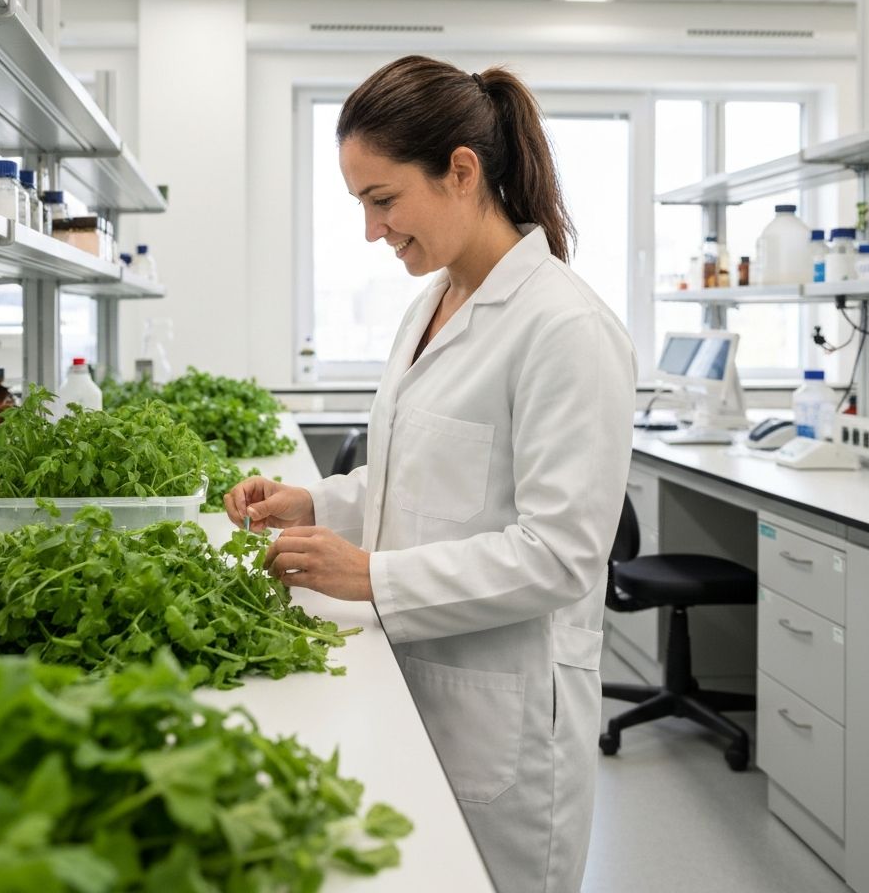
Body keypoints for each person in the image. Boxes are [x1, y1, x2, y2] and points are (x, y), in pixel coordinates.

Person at [225, 55, 636, 892]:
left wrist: (373, 577)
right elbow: (426, 478)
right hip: (418, 680)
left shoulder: (565, 328)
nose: (372, 230)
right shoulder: (433, 302)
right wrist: (319, 500)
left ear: (461, 171)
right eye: (361, 205)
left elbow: (560, 554)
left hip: (504, 710)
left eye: (383, 200)